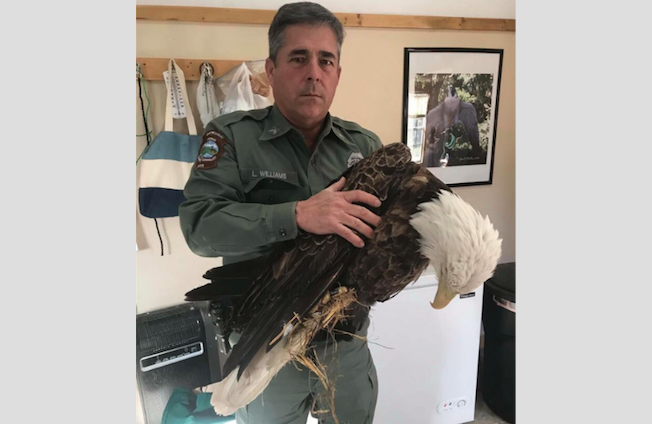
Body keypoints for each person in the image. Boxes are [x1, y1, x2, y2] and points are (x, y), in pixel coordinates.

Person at [180, 2, 383, 423]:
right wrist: (295, 215)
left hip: (344, 345)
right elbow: (199, 226)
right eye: (298, 58)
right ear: (271, 71)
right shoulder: (231, 137)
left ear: (338, 74)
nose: (314, 72)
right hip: (265, 350)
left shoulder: (365, 147)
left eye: (326, 60)